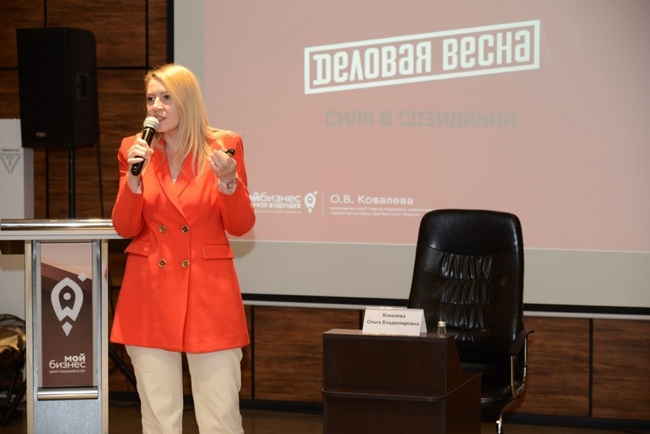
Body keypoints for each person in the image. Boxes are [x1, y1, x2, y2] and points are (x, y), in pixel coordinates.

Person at [110, 63, 255, 434]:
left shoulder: (224, 146)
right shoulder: (133, 149)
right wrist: (133, 182)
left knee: (221, 418)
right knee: (158, 419)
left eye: (166, 97)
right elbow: (125, 227)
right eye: (150, 99)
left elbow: (240, 226)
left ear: (187, 100)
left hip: (209, 296)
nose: (155, 106)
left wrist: (229, 183)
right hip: (149, 294)